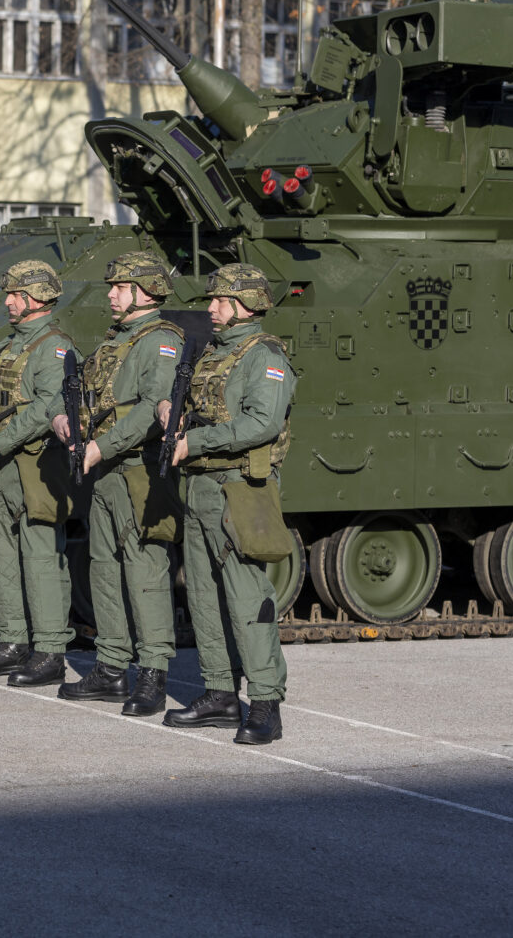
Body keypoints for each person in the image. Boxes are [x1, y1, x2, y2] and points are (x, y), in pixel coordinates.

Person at [160, 263, 294, 745]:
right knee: (201, 595)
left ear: (248, 305)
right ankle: (218, 692)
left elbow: (262, 423)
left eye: (220, 300)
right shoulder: (214, 351)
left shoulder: (265, 356)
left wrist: (193, 443)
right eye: (211, 299)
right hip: (197, 488)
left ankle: (264, 702)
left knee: (245, 597)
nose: (210, 308)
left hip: (239, 489)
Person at [53, 253, 183, 717]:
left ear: (145, 292)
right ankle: (110, 667)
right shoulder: (116, 340)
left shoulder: (161, 341)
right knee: (103, 568)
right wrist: (64, 421)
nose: (110, 293)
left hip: (137, 469)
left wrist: (100, 448)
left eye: (120, 286)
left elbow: (153, 409)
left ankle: (152, 674)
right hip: (105, 472)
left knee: (145, 572)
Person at [0, 260, 76, 687]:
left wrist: (0, 443)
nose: (7, 301)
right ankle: (12, 641)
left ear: (36, 298)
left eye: (15, 294)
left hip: (34, 465)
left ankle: (50, 651)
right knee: (3, 556)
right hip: (1, 467)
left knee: (42, 557)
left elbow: (48, 407)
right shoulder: (11, 344)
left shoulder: (54, 348)